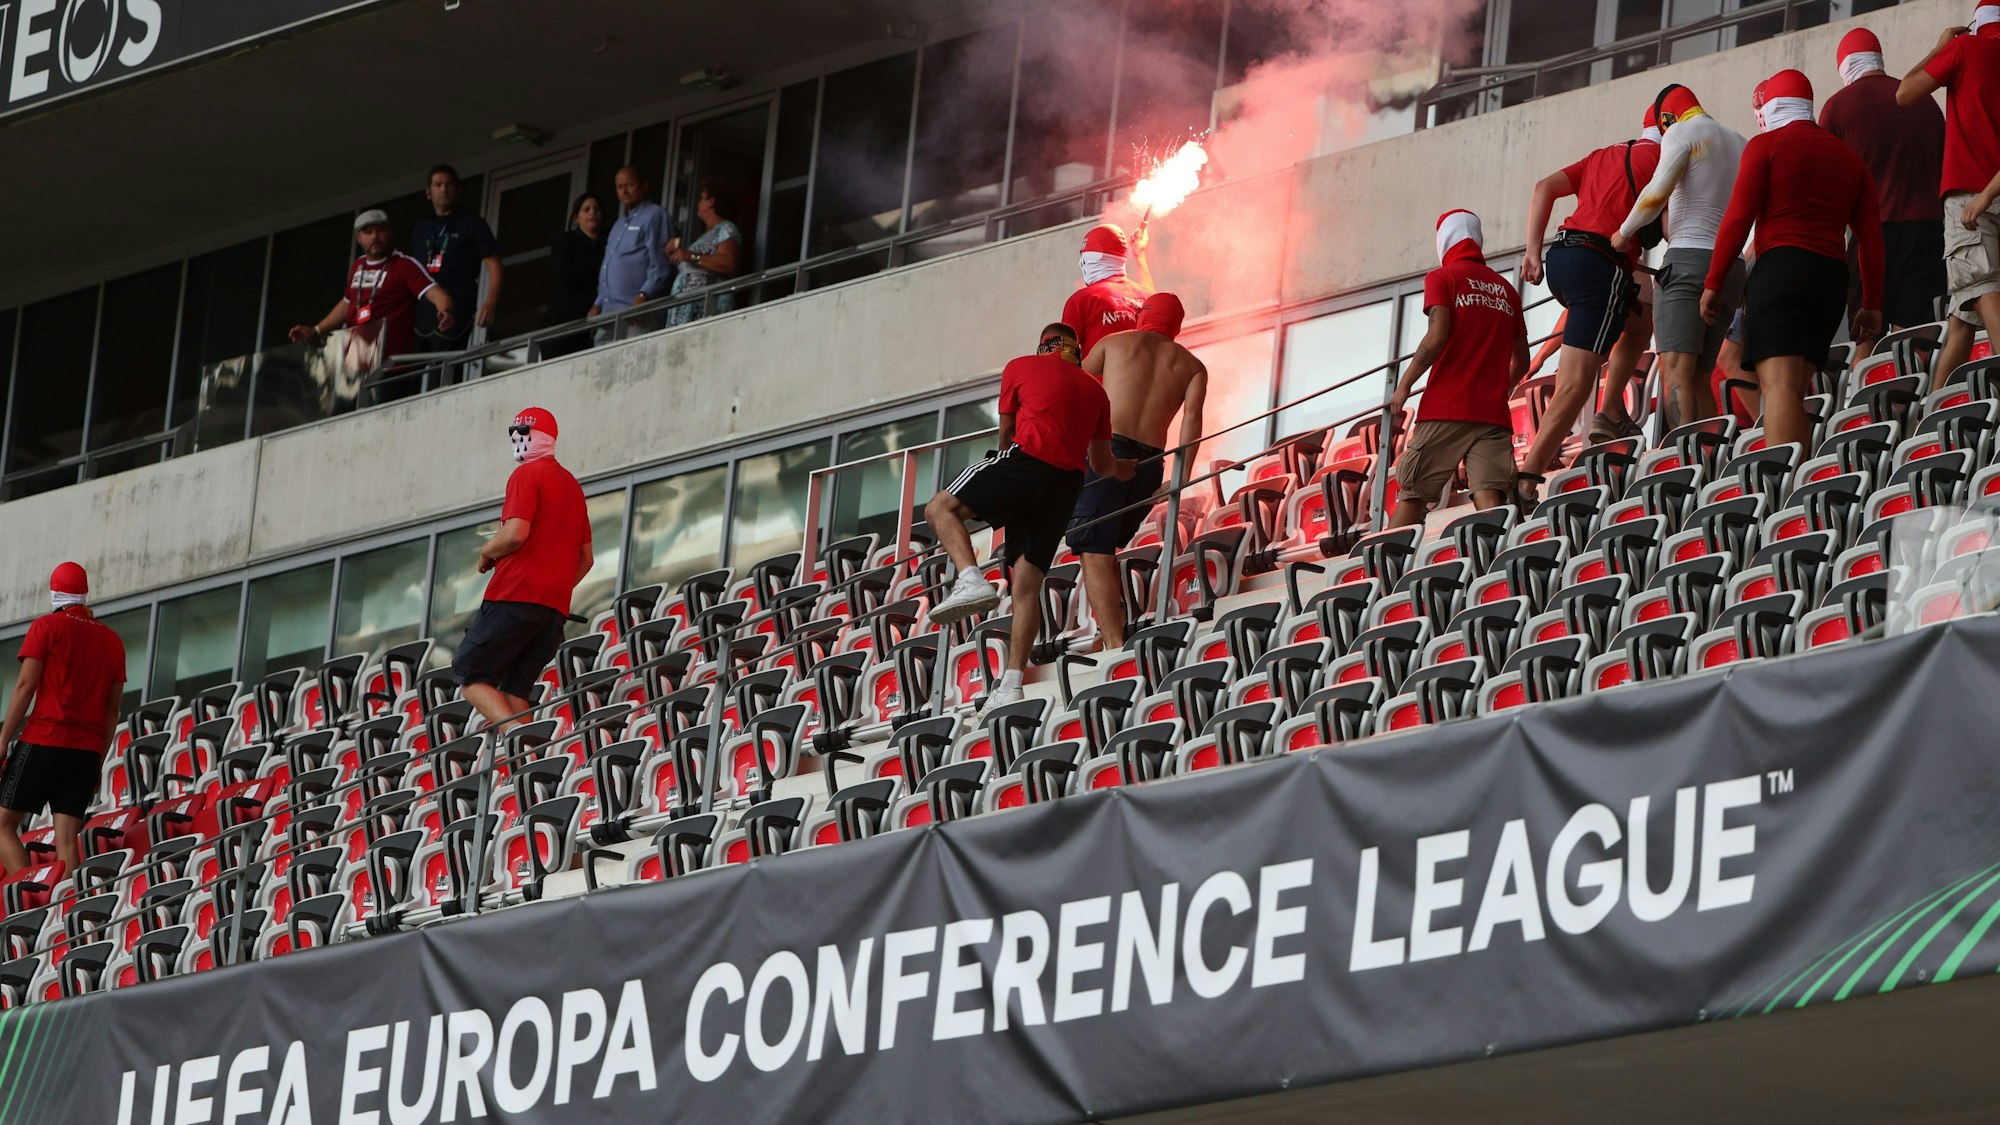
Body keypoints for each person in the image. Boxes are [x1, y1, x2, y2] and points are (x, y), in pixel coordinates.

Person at [924, 324, 1134, 710]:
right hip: (1065, 485)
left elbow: (1005, 436)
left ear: (1043, 346)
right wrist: (1124, 469)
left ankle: (971, 578)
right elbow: (1102, 464)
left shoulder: (1020, 366)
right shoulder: (1095, 390)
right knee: (1026, 586)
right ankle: (1012, 682)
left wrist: (1005, 478)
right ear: (1077, 350)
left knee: (939, 508)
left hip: (1027, 461)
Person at [1704, 70, 1884, 452]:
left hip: (1782, 268)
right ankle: (1798, 483)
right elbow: (1871, 240)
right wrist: (1871, 303)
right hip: (1831, 278)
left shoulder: (1767, 145)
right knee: (1792, 391)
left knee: (1779, 388)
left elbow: (1738, 218)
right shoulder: (1850, 160)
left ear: (1770, 107)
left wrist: (1715, 282)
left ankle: (1791, 496)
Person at [1517, 112, 1660, 499]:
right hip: (1600, 264)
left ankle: (1610, 411)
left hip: (1560, 258)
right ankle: (1525, 482)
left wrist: (1532, 253)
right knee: (1576, 384)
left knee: (1638, 321)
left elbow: (1544, 186)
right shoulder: (1666, 159)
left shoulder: (1603, 154)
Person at [1066, 292, 1207, 649]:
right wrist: (1182, 476)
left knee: (1094, 547)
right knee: (1106, 545)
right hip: (1149, 466)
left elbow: (1070, 387)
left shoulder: (1115, 343)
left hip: (1110, 451)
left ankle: (1114, 643)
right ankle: (1111, 630)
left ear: (1141, 316)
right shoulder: (1192, 366)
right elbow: (1192, 422)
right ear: (1176, 325)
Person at [1612, 85, 1748, 429]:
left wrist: (1624, 233)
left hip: (1689, 258)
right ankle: (1709, 462)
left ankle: (1687, 457)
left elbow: (1655, 192)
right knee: (1700, 375)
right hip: (1731, 267)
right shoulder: (1739, 141)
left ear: (1666, 118)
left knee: (1675, 371)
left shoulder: (1682, 132)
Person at [454, 407, 593, 733]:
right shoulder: (572, 487)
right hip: (553, 612)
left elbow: (515, 533)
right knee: (515, 690)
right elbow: (586, 559)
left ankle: (515, 740)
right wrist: (555, 590)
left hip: (514, 596)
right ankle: (529, 764)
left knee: (471, 676)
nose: (517, 440)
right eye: (514, 434)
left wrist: (486, 551)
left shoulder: (526, 475)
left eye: (523, 434)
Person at [1386, 211, 1530, 527]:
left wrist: (1404, 385)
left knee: (1413, 495)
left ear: (1444, 240)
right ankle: (1501, 570)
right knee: (1491, 499)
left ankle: (1381, 573)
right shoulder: (1507, 290)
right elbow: (1523, 362)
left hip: (1446, 408)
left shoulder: (1442, 278)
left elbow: (1436, 337)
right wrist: (1495, 391)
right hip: (1492, 414)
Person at [0, 563, 125, 876]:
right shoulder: (112, 642)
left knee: (1, 826)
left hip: (44, 740)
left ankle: (32, 898)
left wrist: (3, 740)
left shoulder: (46, 627)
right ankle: (64, 911)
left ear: (54, 592)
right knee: (67, 840)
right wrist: (98, 761)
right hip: (85, 752)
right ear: (84, 594)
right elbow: (112, 711)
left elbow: (26, 686)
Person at [1899, 5, 2000, 386]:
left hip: (1970, 196)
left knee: (1981, 286)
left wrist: (1940, 48)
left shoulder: (1965, 50)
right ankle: (1931, 413)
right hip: (1994, 189)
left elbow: (1905, 93)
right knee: (1961, 317)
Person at [1822, 28, 1946, 334]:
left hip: (1872, 237)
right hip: (1928, 231)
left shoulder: (1839, 106)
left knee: (1866, 336)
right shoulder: (1924, 100)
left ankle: (1864, 381)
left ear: (1844, 65)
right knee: (1917, 338)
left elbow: (1823, 182)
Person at [289, 210, 453, 386]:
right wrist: (316, 330)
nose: (375, 236)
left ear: (389, 232)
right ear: (358, 237)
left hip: (391, 368)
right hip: (356, 367)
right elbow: (347, 303)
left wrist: (444, 310)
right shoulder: (357, 266)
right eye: (368, 232)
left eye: (380, 230)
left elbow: (436, 292)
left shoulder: (404, 265)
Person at [410, 164, 502, 352]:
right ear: (428, 192)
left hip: (458, 303)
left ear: (457, 190)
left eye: (449, 184)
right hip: (423, 308)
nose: (443, 189)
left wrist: (490, 301)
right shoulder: (421, 230)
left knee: (446, 367)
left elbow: (494, 265)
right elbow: (411, 273)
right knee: (410, 368)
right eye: (438, 185)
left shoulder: (472, 224)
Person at [590, 166, 676, 343]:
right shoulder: (618, 225)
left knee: (635, 364)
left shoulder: (655, 215)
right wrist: (597, 303)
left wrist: (643, 297)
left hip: (638, 313)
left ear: (644, 186)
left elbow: (660, 265)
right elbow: (609, 265)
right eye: (619, 187)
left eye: (629, 185)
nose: (624, 191)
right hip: (608, 314)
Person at [1061, 223, 1155, 356]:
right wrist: (1140, 255)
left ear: (1094, 256)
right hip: (1145, 375)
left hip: (1100, 377)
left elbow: (1064, 357)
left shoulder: (1082, 300)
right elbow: (1152, 300)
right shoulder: (1147, 296)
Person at [666, 178, 745, 327]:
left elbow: (728, 262)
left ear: (711, 202)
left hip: (705, 310)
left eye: (702, 198)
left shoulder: (726, 229)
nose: (698, 203)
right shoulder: (707, 234)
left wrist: (690, 256)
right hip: (685, 312)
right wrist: (675, 253)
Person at [542, 193, 607, 360]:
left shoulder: (609, 242)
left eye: (596, 209)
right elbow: (564, 275)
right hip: (564, 322)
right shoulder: (565, 242)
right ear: (576, 217)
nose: (592, 212)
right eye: (586, 209)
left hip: (597, 320)